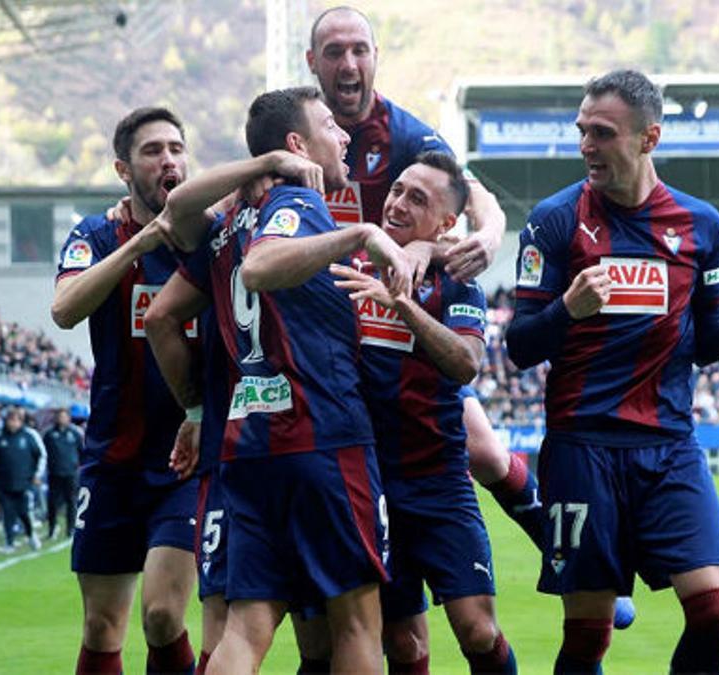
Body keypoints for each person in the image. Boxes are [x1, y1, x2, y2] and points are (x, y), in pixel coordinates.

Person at [305, 4, 584, 625]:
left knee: (483, 452)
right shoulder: (300, 130)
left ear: (376, 58)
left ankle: (564, 557)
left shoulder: (403, 133)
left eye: (360, 50)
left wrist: (487, 232)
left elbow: (471, 191)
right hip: (327, 332)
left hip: (392, 320)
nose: (350, 64)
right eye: (334, 52)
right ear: (312, 64)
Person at [504, 69, 719, 674]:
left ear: (648, 138)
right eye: (582, 131)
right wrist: (567, 310)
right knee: (588, 637)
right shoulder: (553, 220)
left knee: (714, 610)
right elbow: (519, 346)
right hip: (582, 447)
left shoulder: (700, 225)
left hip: (669, 447)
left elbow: (701, 345)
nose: (586, 146)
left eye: (602, 133)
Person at [159, 86, 410, 674]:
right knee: (357, 621)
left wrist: (195, 411)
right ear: (297, 144)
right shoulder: (296, 202)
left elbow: (162, 315)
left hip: (249, 446)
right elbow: (264, 266)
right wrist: (360, 235)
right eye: (330, 125)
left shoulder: (228, 223)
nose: (345, 134)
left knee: (246, 630)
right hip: (322, 435)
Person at [331, 151, 517, 673]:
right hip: (371, 484)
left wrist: (404, 307)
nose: (398, 203)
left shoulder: (458, 284)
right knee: (404, 644)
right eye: (397, 190)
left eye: (418, 198)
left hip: (438, 480)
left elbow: (466, 363)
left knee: (479, 632)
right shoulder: (351, 265)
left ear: (446, 224)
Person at [51, 106, 198, 675]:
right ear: (123, 169)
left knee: (163, 615)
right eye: (153, 150)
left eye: (177, 149)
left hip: (184, 460)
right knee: (101, 626)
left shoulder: (207, 238)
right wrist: (139, 245)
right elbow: (64, 309)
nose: (169, 160)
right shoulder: (95, 234)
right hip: (111, 458)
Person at [0, 408, 44, 552]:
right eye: (9, 420)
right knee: (8, 514)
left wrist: (37, 475)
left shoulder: (29, 436)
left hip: (25, 483)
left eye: (15, 420)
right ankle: (10, 543)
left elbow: (41, 456)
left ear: (20, 421)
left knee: (24, 513)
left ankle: (31, 535)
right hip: (5, 484)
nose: (12, 423)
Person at [43, 408, 82, 539]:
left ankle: (70, 529)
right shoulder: (49, 434)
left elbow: (81, 452)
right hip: (54, 473)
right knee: (52, 503)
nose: (61, 419)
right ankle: (52, 528)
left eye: (64, 416)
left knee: (71, 502)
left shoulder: (75, 433)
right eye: (59, 416)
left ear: (68, 418)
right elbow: (44, 453)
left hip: (70, 474)